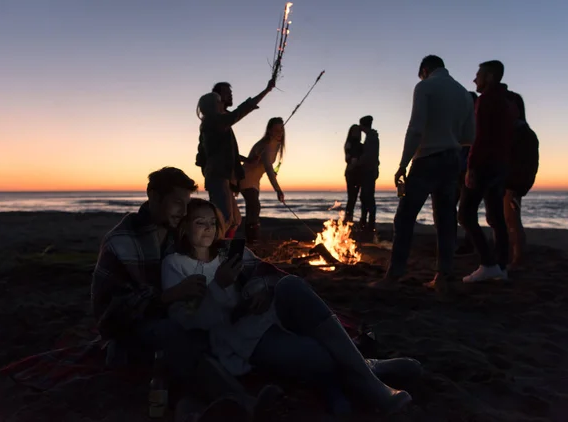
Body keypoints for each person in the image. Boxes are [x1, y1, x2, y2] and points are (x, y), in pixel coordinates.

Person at [161, 198, 423, 416]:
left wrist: (262, 289)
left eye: (212, 222)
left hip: (269, 313)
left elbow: (262, 274)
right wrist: (218, 286)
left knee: (290, 284)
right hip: (238, 339)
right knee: (317, 357)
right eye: (199, 223)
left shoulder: (229, 252)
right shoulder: (175, 264)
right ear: (185, 228)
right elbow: (189, 322)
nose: (208, 229)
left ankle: (371, 384)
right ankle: (366, 365)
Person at [91, 167, 279, 421]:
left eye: (186, 203)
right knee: (176, 335)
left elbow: (243, 263)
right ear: (153, 196)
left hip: (186, 321)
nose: (183, 211)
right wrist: (169, 296)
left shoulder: (179, 233)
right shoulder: (121, 241)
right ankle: (244, 403)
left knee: (208, 333)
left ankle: (193, 407)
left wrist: (260, 286)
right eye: (177, 202)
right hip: (134, 334)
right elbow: (109, 316)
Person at [373, 55, 475, 290]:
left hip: (427, 159)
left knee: (405, 217)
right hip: (452, 160)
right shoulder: (463, 94)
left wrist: (402, 163)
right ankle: (443, 275)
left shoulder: (425, 87)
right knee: (446, 219)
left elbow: (416, 127)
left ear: (425, 70)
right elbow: (470, 135)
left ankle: (394, 275)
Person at [458, 60, 518, 282]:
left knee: (464, 214)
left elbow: (479, 137)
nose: (475, 79)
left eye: (478, 75)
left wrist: (471, 167)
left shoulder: (485, 101)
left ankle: (488, 263)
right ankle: (501, 267)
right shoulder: (508, 101)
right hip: (501, 165)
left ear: (490, 77)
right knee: (496, 217)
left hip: (484, 164)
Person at [196, 79, 275, 239]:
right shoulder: (214, 121)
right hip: (218, 176)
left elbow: (221, 152)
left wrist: (246, 160)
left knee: (234, 220)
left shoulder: (215, 123)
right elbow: (240, 112)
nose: (221, 104)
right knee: (225, 218)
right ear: (213, 104)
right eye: (219, 101)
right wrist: (266, 91)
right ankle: (215, 252)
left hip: (222, 176)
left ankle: (223, 250)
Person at [502, 87, 538, 269]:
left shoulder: (523, 133)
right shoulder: (517, 131)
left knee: (512, 220)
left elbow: (528, 164)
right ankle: (513, 256)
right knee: (508, 219)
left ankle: (518, 259)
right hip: (509, 183)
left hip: (513, 184)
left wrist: (517, 185)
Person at [240, 117, 286, 244]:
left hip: (255, 181)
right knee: (254, 206)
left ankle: (250, 241)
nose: (279, 133)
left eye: (281, 129)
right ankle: (252, 240)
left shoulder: (276, 145)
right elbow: (268, 168)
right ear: (269, 131)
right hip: (246, 178)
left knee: (253, 208)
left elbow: (269, 169)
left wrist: (273, 173)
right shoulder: (266, 145)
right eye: (276, 130)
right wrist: (278, 189)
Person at [454, 92, 479, 256]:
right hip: (458, 170)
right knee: (455, 208)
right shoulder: (463, 122)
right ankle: (458, 242)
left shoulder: (476, 123)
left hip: (468, 170)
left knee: (465, 211)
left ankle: (471, 244)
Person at [358, 115, 380, 233]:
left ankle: (369, 224)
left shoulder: (371, 138)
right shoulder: (371, 137)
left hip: (369, 171)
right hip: (369, 171)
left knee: (368, 197)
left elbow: (369, 156)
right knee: (366, 197)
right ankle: (366, 222)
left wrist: (358, 161)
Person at [344, 124, 363, 223]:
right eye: (355, 131)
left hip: (358, 174)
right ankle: (348, 218)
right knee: (351, 197)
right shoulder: (349, 144)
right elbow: (347, 158)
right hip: (351, 173)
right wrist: (354, 161)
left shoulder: (361, 145)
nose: (357, 133)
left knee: (354, 197)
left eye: (358, 131)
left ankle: (349, 218)